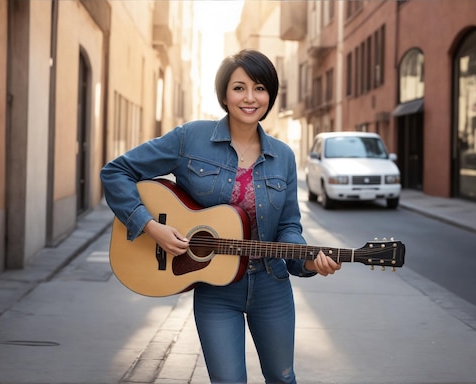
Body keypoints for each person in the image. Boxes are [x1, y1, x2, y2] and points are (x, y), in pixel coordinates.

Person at [100, 49, 342, 384]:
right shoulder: (191, 138)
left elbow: (288, 227)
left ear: (269, 95)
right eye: (239, 87)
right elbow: (117, 172)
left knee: (282, 378)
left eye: (259, 88)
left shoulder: (283, 157)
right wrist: (150, 227)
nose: (250, 97)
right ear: (224, 94)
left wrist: (310, 263)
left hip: (271, 286)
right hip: (216, 289)